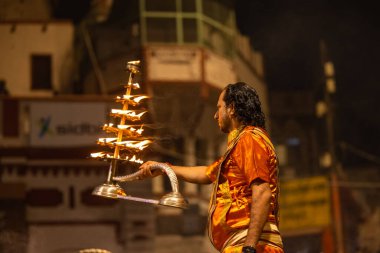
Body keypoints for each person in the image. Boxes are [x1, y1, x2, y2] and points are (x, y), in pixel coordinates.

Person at [139, 82, 284, 253]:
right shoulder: (239, 146)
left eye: (219, 107)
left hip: (253, 244)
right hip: (241, 243)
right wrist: (164, 168)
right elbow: (207, 173)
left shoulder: (249, 139)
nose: (215, 115)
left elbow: (262, 192)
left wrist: (249, 247)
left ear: (231, 109)